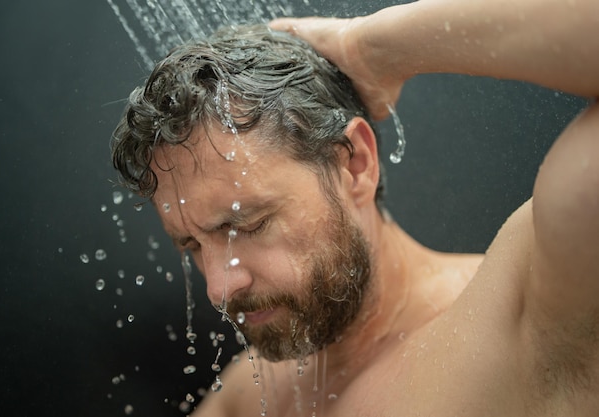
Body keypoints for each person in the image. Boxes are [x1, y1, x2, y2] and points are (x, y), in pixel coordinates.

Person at [111, 0, 599, 414]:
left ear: (355, 165)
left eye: (248, 223)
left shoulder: (527, 318)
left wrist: (372, 48)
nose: (220, 287)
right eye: (192, 245)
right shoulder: (252, 392)